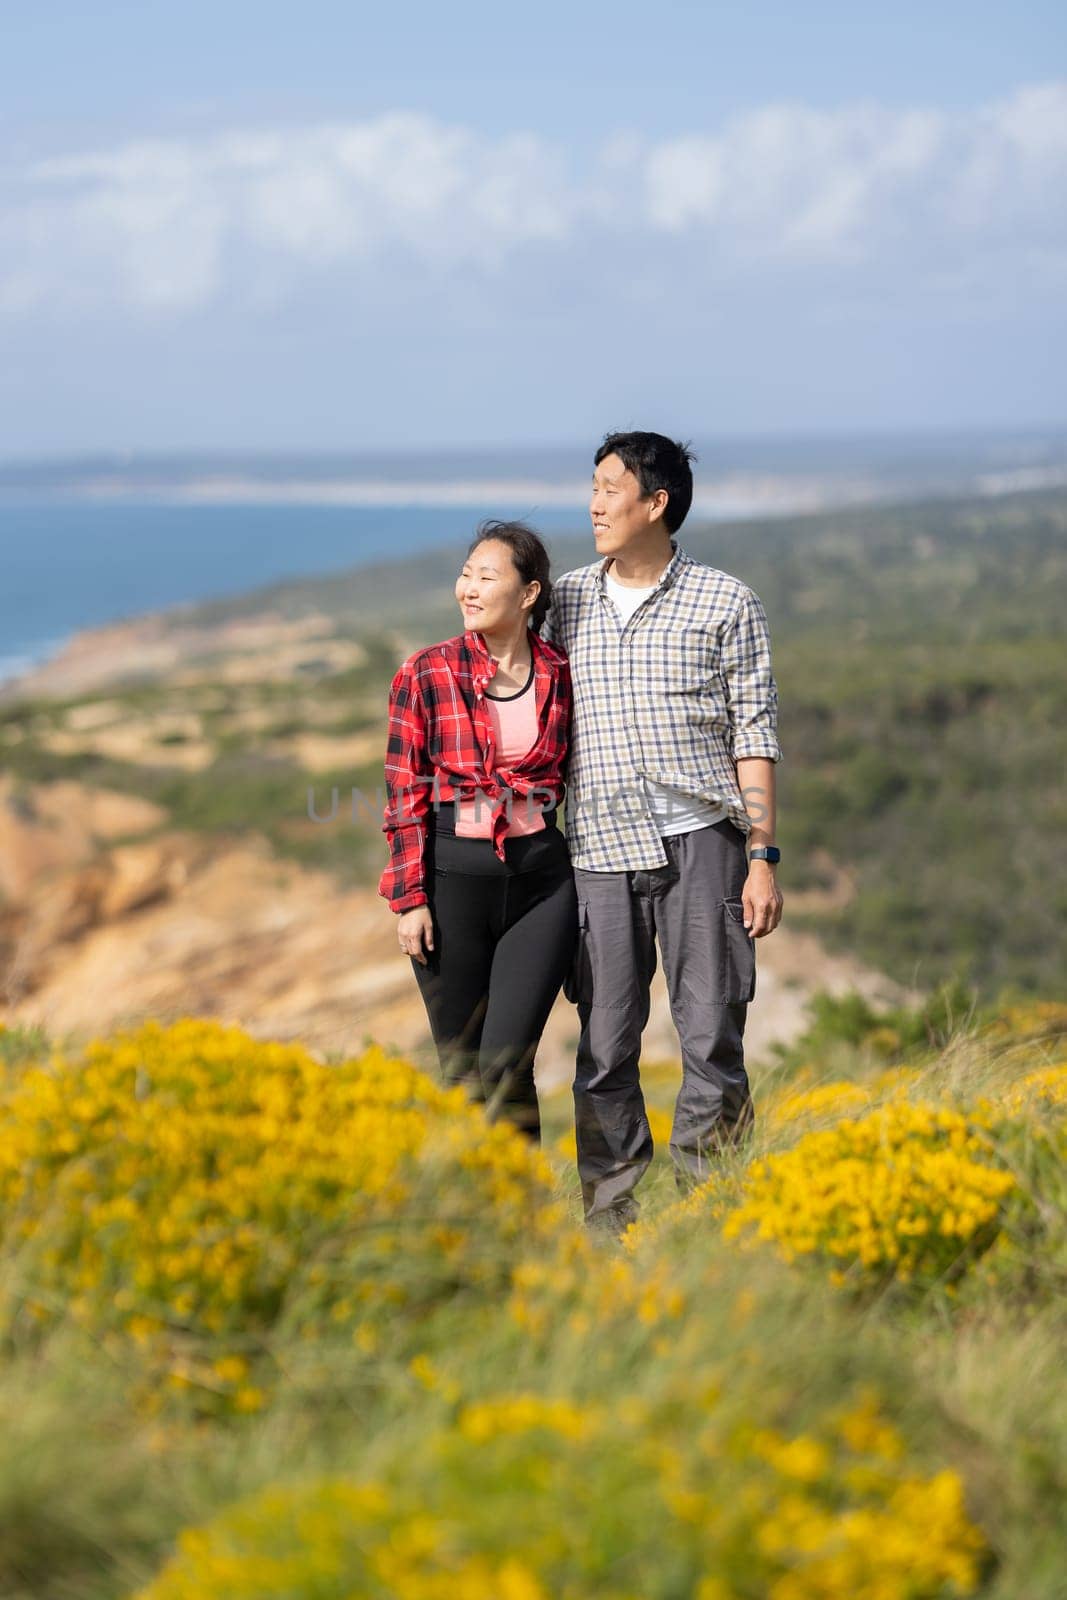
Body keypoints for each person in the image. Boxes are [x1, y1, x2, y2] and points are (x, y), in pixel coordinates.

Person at [541, 431, 784, 1231]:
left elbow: (753, 733)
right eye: (593, 485)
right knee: (605, 1048)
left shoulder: (726, 601)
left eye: (611, 488)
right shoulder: (564, 601)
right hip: (600, 853)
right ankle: (609, 1225)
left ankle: (714, 1216)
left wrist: (761, 857)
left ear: (657, 503)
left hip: (705, 846)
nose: (594, 503)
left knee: (711, 1035)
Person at [378, 519, 576, 1142]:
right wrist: (410, 901)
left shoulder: (560, 674)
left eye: (486, 577)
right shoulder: (426, 672)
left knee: (509, 1061)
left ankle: (529, 1223)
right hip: (452, 885)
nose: (468, 588)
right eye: (466, 574)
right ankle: (475, 1217)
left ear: (528, 594)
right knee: (463, 1072)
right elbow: (403, 791)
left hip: (542, 886)